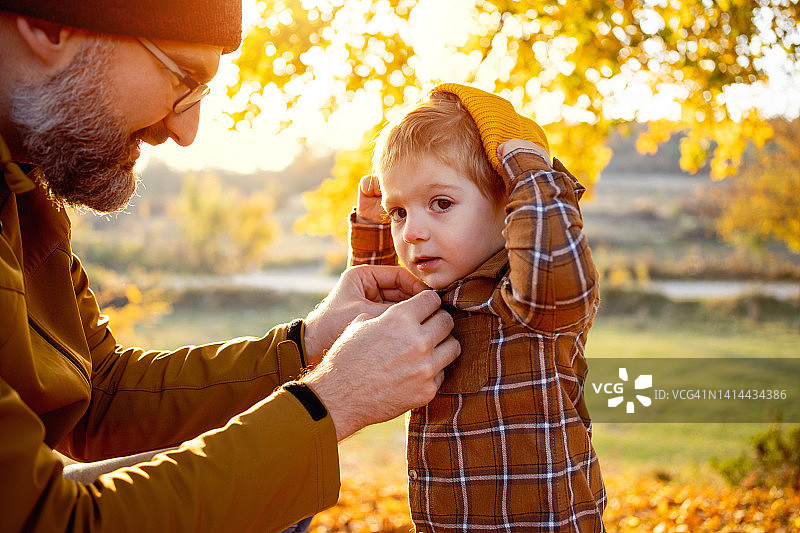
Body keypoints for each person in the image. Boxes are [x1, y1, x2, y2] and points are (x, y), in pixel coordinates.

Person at [0, 1, 461, 532]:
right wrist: (332, 401)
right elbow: (41, 521)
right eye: (182, 79)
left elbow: (97, 393)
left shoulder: (27, 197)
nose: (186, 129)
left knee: (274, 486)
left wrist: (307, 344)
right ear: (50, 24)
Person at [349, 83, 606, 531]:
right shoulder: (432, 301)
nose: (410, 232)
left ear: (510, 206)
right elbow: (368, 313)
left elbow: (555, 266)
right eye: (399, 212)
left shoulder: (528, 303)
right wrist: (373, 229)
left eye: (441, 203)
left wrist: (528, 170)